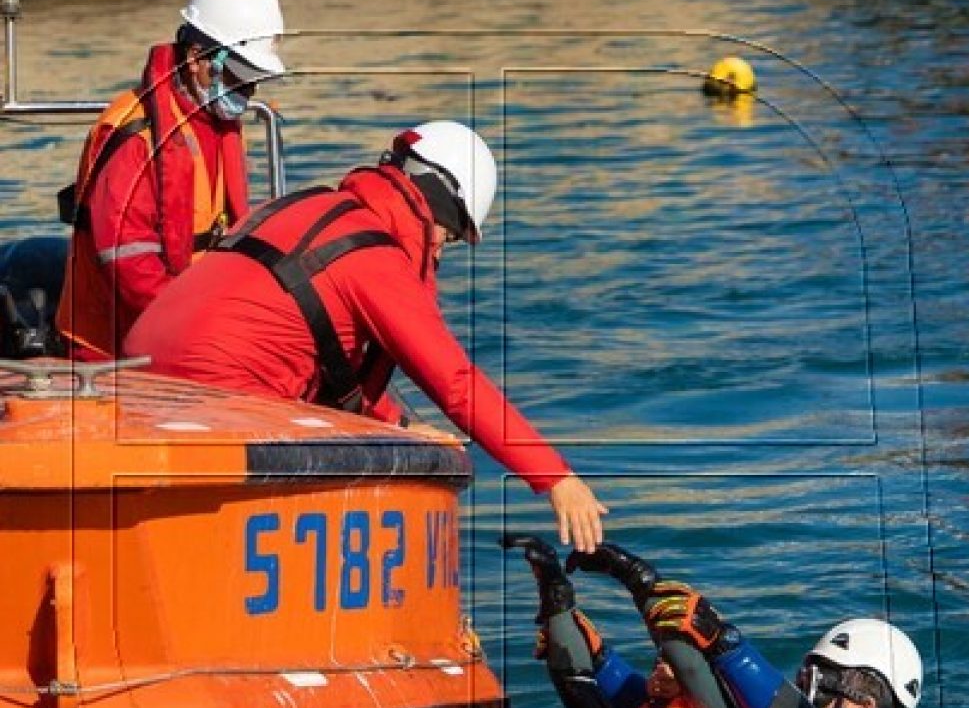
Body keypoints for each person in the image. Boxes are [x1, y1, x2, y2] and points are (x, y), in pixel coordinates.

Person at [125, 121, 608, 551]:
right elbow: (455, 383)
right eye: (452, 235)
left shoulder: (307, 206)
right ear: (438, 199)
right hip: (216, 397)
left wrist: (392, 426)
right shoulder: (374, 256)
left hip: (133, 377)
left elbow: (309, 346)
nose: (442, 250)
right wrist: (554, 477)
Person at [501, 535, 923, 708]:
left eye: (825, 681)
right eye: (807, 676)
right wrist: (564, 611)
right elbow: (630, 703)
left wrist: (723, 641)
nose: (808, 690)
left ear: (868, 702)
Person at [56, 0, 286, 359]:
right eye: (239, 77)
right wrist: (193, 326)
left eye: (254, 80)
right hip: (111, 348)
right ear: (197, 59)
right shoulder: (135, 132)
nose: (248, 93)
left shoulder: (215, 119)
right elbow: (127, 258)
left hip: (186, 323)